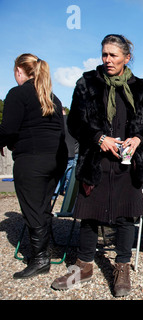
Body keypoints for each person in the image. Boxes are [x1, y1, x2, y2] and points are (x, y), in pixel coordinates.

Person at [51, 34, 143, 297]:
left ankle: (122, 267)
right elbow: (74, 122)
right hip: (95, 161)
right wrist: (99, 138)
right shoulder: (87, 83)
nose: (107, 60)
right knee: (89, 217)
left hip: (127, 165)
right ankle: (83, 267)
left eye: (113, 55)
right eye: (104, 54)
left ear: (126, 58)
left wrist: (138, 138)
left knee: (124, 218)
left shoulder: (140, 87)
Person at [0, 54, 68, 279]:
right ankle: (44, 253)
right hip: (56, 160)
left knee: (33, 210)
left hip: (31, 159)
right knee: (42, 206)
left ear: (20, 71)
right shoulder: (53, 98)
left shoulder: (18, 93)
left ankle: (40, 259)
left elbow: (8, 129)